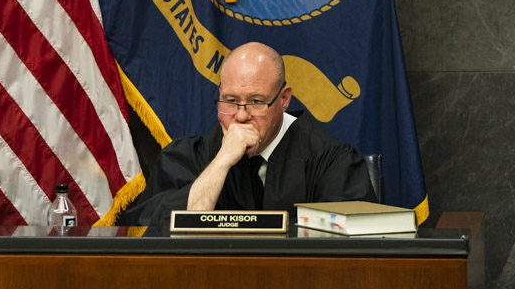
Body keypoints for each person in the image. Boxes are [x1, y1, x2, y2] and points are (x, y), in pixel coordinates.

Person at [124, 42, 371, 226]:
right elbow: (156, 235)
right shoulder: (190, 157)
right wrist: (221, 163)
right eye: (230, 101)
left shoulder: (330, 161)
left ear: (284, 99)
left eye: (256, 101)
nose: (241, 116)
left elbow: (350, 252)